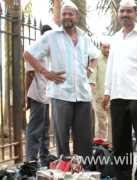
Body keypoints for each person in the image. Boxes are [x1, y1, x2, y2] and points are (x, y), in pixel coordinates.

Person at [23, 2, 99, 159]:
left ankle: (83, 172)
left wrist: (89, 70)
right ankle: (64, 171)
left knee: (84, 139)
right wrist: (46, 72)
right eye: (64, 14)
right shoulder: (51, 36)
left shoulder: (84, 37)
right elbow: (28, 54)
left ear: (76, 16)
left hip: (83, 95)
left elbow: (95, 56)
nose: (67, 17)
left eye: (70, 13)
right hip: (61, 95)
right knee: (62, 140)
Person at [101, 0, 137, 179]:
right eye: (122, 11)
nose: (125, 14)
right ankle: (123, 175)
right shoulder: (115, 38)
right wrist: (107, 91)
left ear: (135, 13)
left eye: (129, 11)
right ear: (119, 15)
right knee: (120, 141)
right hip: (117, 96)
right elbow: (111, 66)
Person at [25, 25, 52, 166]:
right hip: (36, 94)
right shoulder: (35, 50)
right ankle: (31, 160)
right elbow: (29, 75)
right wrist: (27, 97)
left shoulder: (50, 52)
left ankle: (44, 157)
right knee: (35, 128)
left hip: (46, 95)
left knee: (45, 129)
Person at [90, 38, 112, 142]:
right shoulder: (97, 59)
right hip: (99, 96)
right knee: (101, 121)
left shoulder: (112, 59)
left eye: (109, 47)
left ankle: (111, 144)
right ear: (100, 47)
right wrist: (94, 93)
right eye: (105, 47)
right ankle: (100, 145)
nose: (107, 49)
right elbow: (92, 77)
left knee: (111, 122)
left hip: (111, 95)